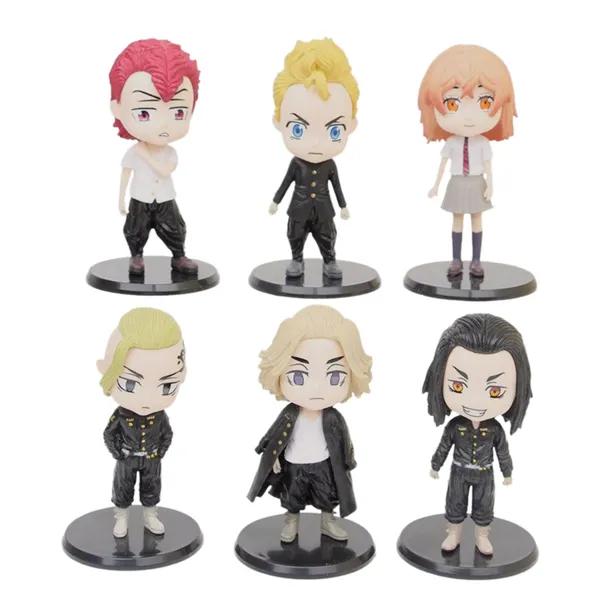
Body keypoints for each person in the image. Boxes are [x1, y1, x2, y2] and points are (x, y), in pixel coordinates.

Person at [247, 305, 372, 542]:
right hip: (294, 463)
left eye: (334, 376)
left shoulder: (333, 418)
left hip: (323, 463)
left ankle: (327, 520)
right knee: (292, 495)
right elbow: (274, 435)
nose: (316, 389)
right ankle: (291, 521)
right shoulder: (289, 414)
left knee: (327, 494)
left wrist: (348, 460)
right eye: (298, 376)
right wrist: (272, 455)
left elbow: (344, 441)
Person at [423, 313, 532, 554]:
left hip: (484, 472)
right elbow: (444, 446)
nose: (475, 401)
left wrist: (507, 472)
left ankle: (482, 536)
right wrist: (435, 465)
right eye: (458, 386)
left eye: (494, 391)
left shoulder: (494, 429)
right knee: (455, 502)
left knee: (484, 505)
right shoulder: (455, 426)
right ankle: (454, 533)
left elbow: (502, 451)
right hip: (459, 470)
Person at [418, 45, 517, 277]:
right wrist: (436, 185)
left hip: (476, 182)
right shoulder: (452, 143)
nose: (469, 117)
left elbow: (489, 166)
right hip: (457, 182)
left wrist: (491, 186)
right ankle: (455, 259)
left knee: (477, 221)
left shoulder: (482, 143)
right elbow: (443, 164)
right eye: (453, 104)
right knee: (457, 221)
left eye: (485, 103)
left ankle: (476, 261)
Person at [268, 39, 359, 279]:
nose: (316, 143)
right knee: (295, 234)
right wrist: (276, 201)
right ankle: (296, 259)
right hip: (298, 207)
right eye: (298, 129)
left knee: (327, 234)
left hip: (323, 208)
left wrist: (343, 206)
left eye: (334, 131)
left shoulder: (330, 165)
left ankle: (330, 260)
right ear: (279, 123)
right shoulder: (296, 164)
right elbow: (286, 182)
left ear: (351, 126)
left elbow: (336, 185)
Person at [109, 39, 200, 275]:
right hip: (139, 197)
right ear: (118, 109)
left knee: (174, 227)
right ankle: (136, 257)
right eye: (144, 113)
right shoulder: (133, 152)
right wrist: (120, 199)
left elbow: (165, 171)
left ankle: (179, 256)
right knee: (135, 229)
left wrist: (145, 156)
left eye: (178, 112)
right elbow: (125, 174)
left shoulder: (169, 152)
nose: (163, 125)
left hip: (165, 197)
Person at [98, 307, 186, 538]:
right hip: (127, 458)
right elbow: (109, 434)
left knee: (151, 488)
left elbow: (167, 434)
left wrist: (160, 452)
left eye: (166, 386)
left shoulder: (159, 416)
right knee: (123, 488)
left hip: (151, 458)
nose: (147, 399)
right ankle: (121, 518)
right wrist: (118, 453)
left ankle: (150, 516)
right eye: (130, 384)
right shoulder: (121, 415)